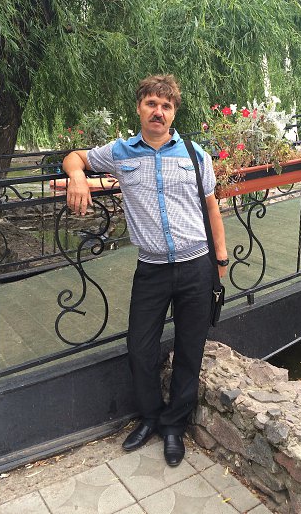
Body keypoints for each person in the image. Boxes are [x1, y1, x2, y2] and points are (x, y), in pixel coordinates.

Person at [63, 74, 228, 467]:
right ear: (139, 108)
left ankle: (173, 426)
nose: (159, 111)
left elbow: (211, 207)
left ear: (174, 113)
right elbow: (74, 156)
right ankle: (150, 416)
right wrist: (77, 177)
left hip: (196, 265)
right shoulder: (121, 152)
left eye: (166, 106)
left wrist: (220, 259)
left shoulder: (194, 154)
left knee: (190, 348)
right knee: (139, 348)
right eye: (152, 103)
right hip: (151, 269)